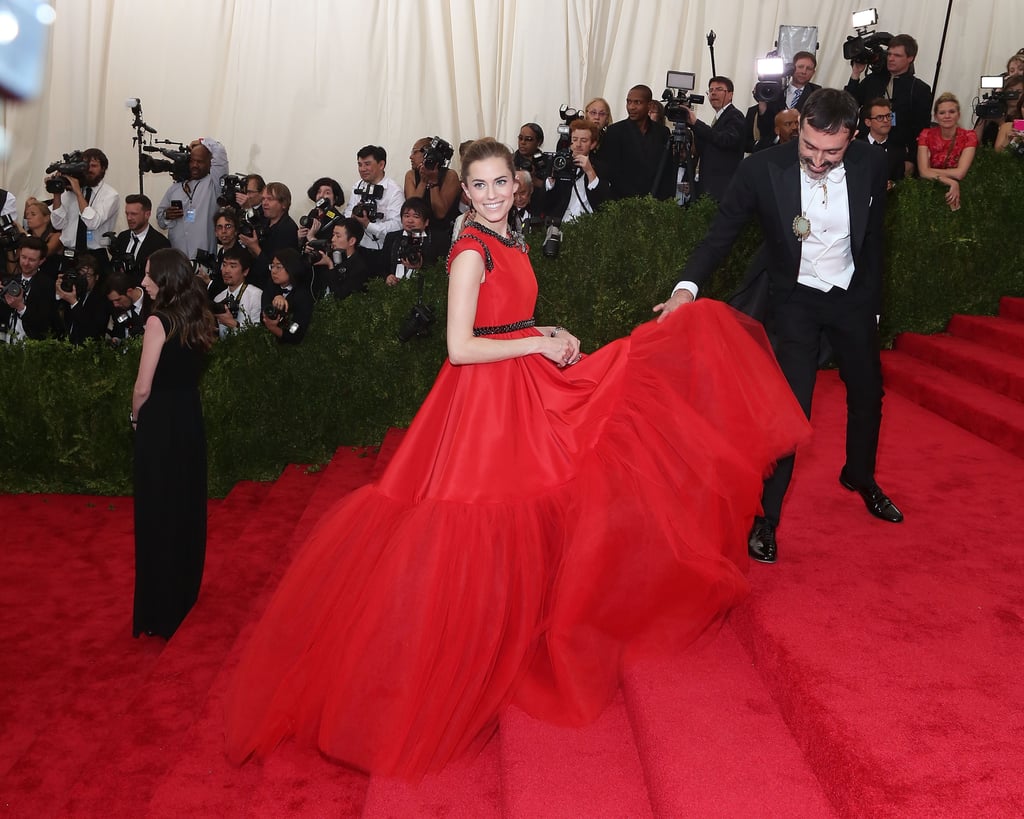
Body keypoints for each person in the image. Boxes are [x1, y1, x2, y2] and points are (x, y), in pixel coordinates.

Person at [224, 137, 809, 779]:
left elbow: (508, 323)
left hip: (524, 387)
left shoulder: (512, 240)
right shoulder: (471, 251)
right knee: (481, 523)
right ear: (465, 193)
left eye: (502, 182)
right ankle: (457, 660)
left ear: (515, 182)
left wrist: (550, 337)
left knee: (575, 468)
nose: (494, 195)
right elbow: (460, 347)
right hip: (483, 406)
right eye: (480, 187)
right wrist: (536, 342)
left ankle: (523, 630)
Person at [655, 88, 904, 565]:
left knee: (868, 393)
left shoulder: (874, 166)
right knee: (792, 408)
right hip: (795, 300)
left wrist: (873, 306)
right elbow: (720, 233)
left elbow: (873, 240)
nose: (817, 159)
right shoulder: (761, 168)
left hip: (851, 296)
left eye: (831, 151)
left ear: (852, 137)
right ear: (801, 127)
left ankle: (860, 476)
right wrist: (687, 287)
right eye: (809, 147)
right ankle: (766, 518)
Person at [131, 247, 216, 639]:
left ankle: (160, 610)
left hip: (160, 421)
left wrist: (134, 415)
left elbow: (144, 385)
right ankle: (182, 597)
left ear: (166, 279)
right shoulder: (198, 315)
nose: (143, 281)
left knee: (157, 510)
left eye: (150, 275)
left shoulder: (156, 320)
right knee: (184, 505)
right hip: (188, 418)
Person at [845, 34, 931, 178]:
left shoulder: (920, 89)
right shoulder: (872, 80)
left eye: (897, 55)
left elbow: (922, 130)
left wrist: (911, 159)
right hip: (863, 148)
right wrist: (855, 74)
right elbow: (847, 105)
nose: (891, 58)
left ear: (910, 58)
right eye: (889, 54)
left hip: (896, 157)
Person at [156, 138, 230, 261]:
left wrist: (203, 141)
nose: (195, 165)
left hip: (203, 261)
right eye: (192, 161)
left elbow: (220, 151)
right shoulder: (175, 188)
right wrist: (167, 216)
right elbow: (160, 222)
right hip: (178, 260)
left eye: (200, 162)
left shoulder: (213, 184)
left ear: (210, 163)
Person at [48, 147, 120, 269]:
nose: (89, 169)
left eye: (93, 166)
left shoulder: (111, 195)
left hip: (94, 256)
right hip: (69, 253)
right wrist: (57, 192)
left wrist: (78, 193)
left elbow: (92, 223)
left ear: (103, 169)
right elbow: (57, 224)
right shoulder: (71, 191)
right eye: (85, 166)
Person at [600, 85, 674, 199]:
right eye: (628, 102)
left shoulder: (662, 132)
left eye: (637, 102)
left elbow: (667, 170)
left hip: (655, 202)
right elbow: (611, 171)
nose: (631, 107)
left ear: (649, 105)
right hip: (622, 202)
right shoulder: (614, 131)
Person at [685, 76, 747, 201]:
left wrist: (696, 123)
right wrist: (691, 125)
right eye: (711, 90)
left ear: (730, 94)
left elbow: (726, 140)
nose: (713, 93)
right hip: (708, 184)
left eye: (719, 89)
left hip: (722, 187)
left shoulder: (735, 115)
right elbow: (706, 145)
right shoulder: (719, 117)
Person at [916, 93, 978, 211]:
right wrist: (951, 182)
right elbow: (923, 173)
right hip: (930, 189)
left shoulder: (969, 136)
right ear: (935, 116)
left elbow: (960, 173)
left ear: (958, 115)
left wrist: (929, 169)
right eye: (942, 113)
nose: (947, 116)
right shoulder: (926, 134)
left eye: (952, 112)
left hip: (962, 191)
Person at [543, 118, 611, 223]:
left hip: (590, 222)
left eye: (584, 141)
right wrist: (550, 182)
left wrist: (590, 172)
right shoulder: (559, 162)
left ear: (592, 144)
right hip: (561, 222)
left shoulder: (601, 167)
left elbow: (603, 202)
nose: (578, 144)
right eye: (574, 139)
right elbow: (545, 201)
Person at [239, 182, 299, 291]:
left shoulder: (288, 228)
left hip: (273, 288)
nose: (264, 203)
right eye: (263, 199)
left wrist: (255, 248)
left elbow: (278, 267)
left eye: (270, 199)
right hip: (254, 282)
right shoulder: (263, 223)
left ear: (284, 204)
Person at [404, 137, 462, 250]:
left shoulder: (450, 175)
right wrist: (423, 180)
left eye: (415, 152)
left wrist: (433, 183)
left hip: (443, 235)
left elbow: (440, 213)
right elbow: (412, 208)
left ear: (427, 153)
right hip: (417, 233)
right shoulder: (411, 175)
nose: (411, 157)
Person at [1, 236, 59, 341]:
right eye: (23, 257)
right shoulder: (11, 281)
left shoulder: (48, 285)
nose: (26, 263)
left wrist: (20, 307)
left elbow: (45, 324)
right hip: (7, 341)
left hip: (32, 346)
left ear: (41, 261)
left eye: (32, 260)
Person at [110, 194, 171, 282]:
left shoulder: (160, 244)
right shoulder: (122, 237)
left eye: (134, 214)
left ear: (147, 214)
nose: (129, 218)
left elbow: (160, 279)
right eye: (127, 213)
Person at [261, 247, 313, 344]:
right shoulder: (271, 286)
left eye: (278, 267)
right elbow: (262, 314)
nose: (273, 271)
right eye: (272, 266)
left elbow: (296, 333)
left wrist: (273, 327)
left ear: (291, 268)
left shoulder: (302, 295)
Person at [56, 253, 107, 344]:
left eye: (87, 276)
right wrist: (59, 291)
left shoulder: (102, 297)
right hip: (66, 345)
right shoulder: (75, 289)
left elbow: (92, 328)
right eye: (80, 275)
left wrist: (74, 303)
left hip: (88, 349)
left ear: (96, 277)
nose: (83, 280)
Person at [212, 246, 262, 337]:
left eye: (232, 266)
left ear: (245, 271)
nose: (226, 271)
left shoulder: (255, 295)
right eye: (224, 265)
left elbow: (257, 335)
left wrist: (233, 324)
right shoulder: (218, 298)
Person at [859, 98, 907, 186]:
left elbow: (900, 180)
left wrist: (892, 184)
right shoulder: (856, 148)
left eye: (888, 116)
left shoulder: (899, 149)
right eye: (880, 117)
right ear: (868, 122)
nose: (886, 120)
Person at [13, 198, 62, 277]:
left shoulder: (56, 237)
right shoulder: (24, 238)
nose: (28, 217)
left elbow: (43, 252)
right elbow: (16, 269)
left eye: (33, 214)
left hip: (48, 283)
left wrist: (23, 233)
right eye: (27, 214)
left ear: (47, 218)